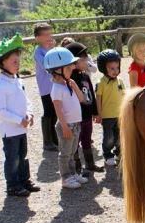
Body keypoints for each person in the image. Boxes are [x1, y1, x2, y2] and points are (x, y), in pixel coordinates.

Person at [0, 33, 40, 196]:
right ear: (2, 62)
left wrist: (30, 113)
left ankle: (24, 180)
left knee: (23, 155)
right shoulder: (0, 86)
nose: (17, 64)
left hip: (21, 128)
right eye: (14, 62)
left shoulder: (18, 80)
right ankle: (12, 184)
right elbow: (0, 111)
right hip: (10, 130)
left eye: (18, 61)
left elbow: (26, 101)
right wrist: (19, 119)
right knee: (13, 157)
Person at [43, 47, 88, 189]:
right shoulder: (56, 89)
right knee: (65, 153)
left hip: (75, 124)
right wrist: (64, 126)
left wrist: (75, 87)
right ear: (57, 70)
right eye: (69, 67)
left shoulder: (68, 84)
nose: (73, 68)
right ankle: (66, 178)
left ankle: (73, 173)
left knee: (73, 151)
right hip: (66, 125)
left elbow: (82, 99)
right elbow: (58, 110)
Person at [66, 42, 104, 176]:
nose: (86, 61)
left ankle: (90, 164)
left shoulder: (85, 76)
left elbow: (91, 95)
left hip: (87, 115)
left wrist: (95, 112)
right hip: (76, 117)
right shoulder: (69, 79)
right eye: (83, 59)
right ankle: (77, 168)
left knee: (87, 139)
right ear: (74, 61)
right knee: (75, 143)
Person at [96, 49, 125, 166]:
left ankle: (119, 153)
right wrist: (98, 114)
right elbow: (98, 99)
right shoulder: (101, 83)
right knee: (109, 138)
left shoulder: (120, 81)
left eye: (117, 68)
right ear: (103, 68)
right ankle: (108, 154)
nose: (115, 71)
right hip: (107, 116)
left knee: (119, 136)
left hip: (120, 114)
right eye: (111, 68)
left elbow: (125, 95)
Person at [34, 23, 58, 151]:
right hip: (45, 88)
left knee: (55, 112)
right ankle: (47, 141)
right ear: (38, 38)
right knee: (48, 112)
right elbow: (47, 66)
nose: (49, 37)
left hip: (55, 86)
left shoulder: (51, 49)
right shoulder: (38, 52)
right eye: (46, 35)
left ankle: (55, 139)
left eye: (50, 34)